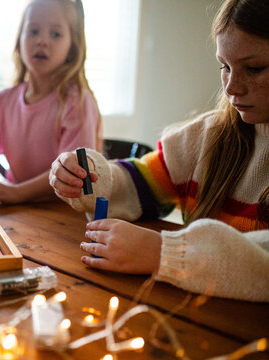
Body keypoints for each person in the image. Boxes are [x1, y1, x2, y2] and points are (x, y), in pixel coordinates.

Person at [49, 0, 269, 302]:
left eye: (254, 68)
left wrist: (163, 252)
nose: (232, 87)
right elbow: (139, 183)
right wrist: (90, 177)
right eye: (225, 66)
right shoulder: (206, 137)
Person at [0, 0, 102, 204]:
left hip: (61, 211)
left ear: (73, 47)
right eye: (33, 31)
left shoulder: (78, 102)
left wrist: (16, 193)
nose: (42, 41)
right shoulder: (3, 100)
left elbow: (71, 173)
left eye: (55, 34)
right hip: (18, 210)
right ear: (19, 41)